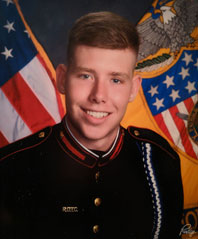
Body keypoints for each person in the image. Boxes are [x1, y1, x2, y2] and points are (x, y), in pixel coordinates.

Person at [0, 11, 183, 239]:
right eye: (86, 76)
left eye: (116, 80)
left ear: (133, 88)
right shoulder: (10, 169)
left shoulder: (159, 160)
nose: (99, 96)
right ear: (62, 79)